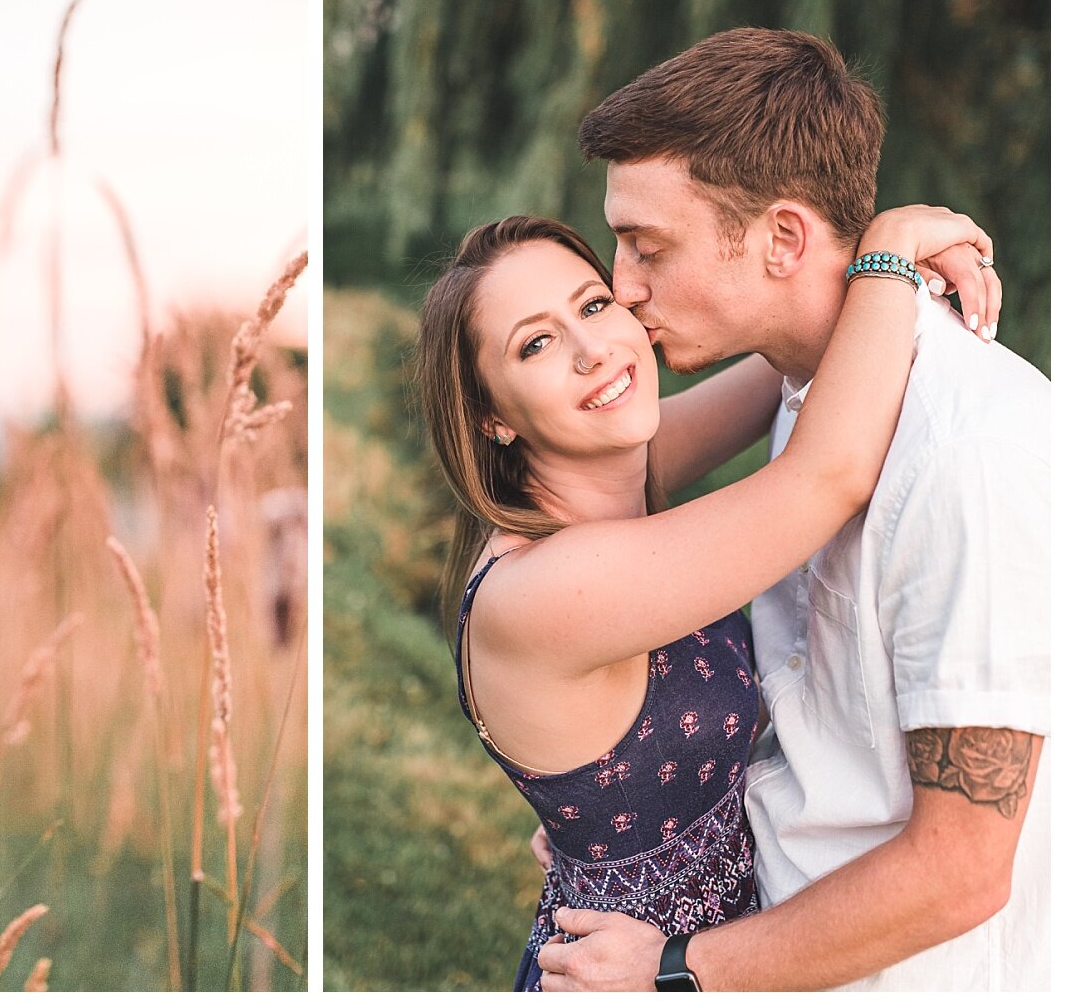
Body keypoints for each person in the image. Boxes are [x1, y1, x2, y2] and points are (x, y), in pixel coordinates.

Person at [532, 28, 1048, 991]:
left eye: (648, 246)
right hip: (779, 938)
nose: (620, 283)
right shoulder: (806, 390)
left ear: (781, 240)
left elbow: (963, 871)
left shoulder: (969, 454)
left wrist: (680, 968)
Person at [415, 203, 992, 992]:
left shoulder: (613, 468)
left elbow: (789, 351)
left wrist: (871, 269)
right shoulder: (546, 589)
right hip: (634, 977)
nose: (595, 350)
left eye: (593, 304)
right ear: (490, 415)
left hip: (712, 952)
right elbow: (826, 475)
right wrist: (892, 246)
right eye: (537, 343)